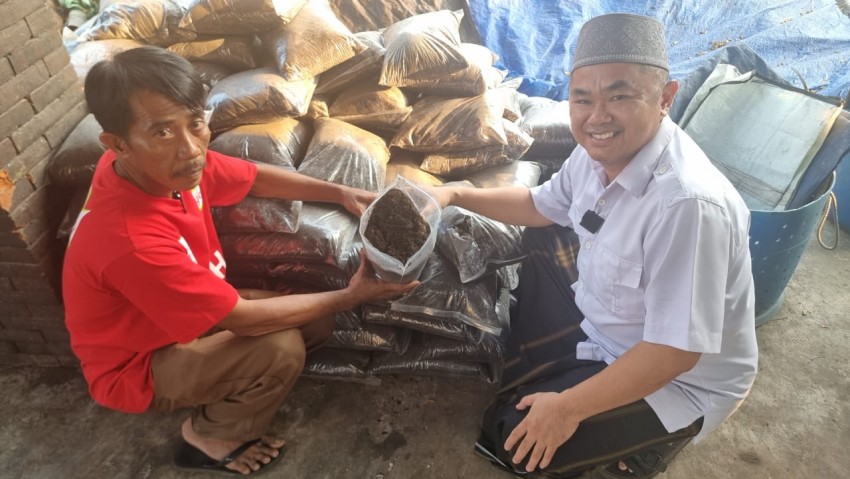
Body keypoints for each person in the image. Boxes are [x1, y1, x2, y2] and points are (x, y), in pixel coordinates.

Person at [426, 13, 758, 479]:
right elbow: (539, 205)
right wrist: (454, 193)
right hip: (608, 322)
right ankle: (564, 373)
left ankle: (654, 440)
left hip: (676, 378)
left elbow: (674, 353)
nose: (597, 117)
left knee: (513, 439)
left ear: (665, 98)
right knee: (541, 234)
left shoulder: (688, 206)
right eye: (582, 99)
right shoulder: (593, 153)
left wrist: (566, 409)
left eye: (619, 96)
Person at [62, 46, 417, 476]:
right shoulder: (129, 239)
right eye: (162, 132)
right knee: (279, 348)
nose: (191, 149)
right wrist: (352, 296)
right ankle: (207, 438)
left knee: (313, 320)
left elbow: (252, 178)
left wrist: (340, 192)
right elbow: (244, 321)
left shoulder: (161, 168)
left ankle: (225, 385)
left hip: (172, 321)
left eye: (195, 123)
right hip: (136, 363)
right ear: (118, 144)